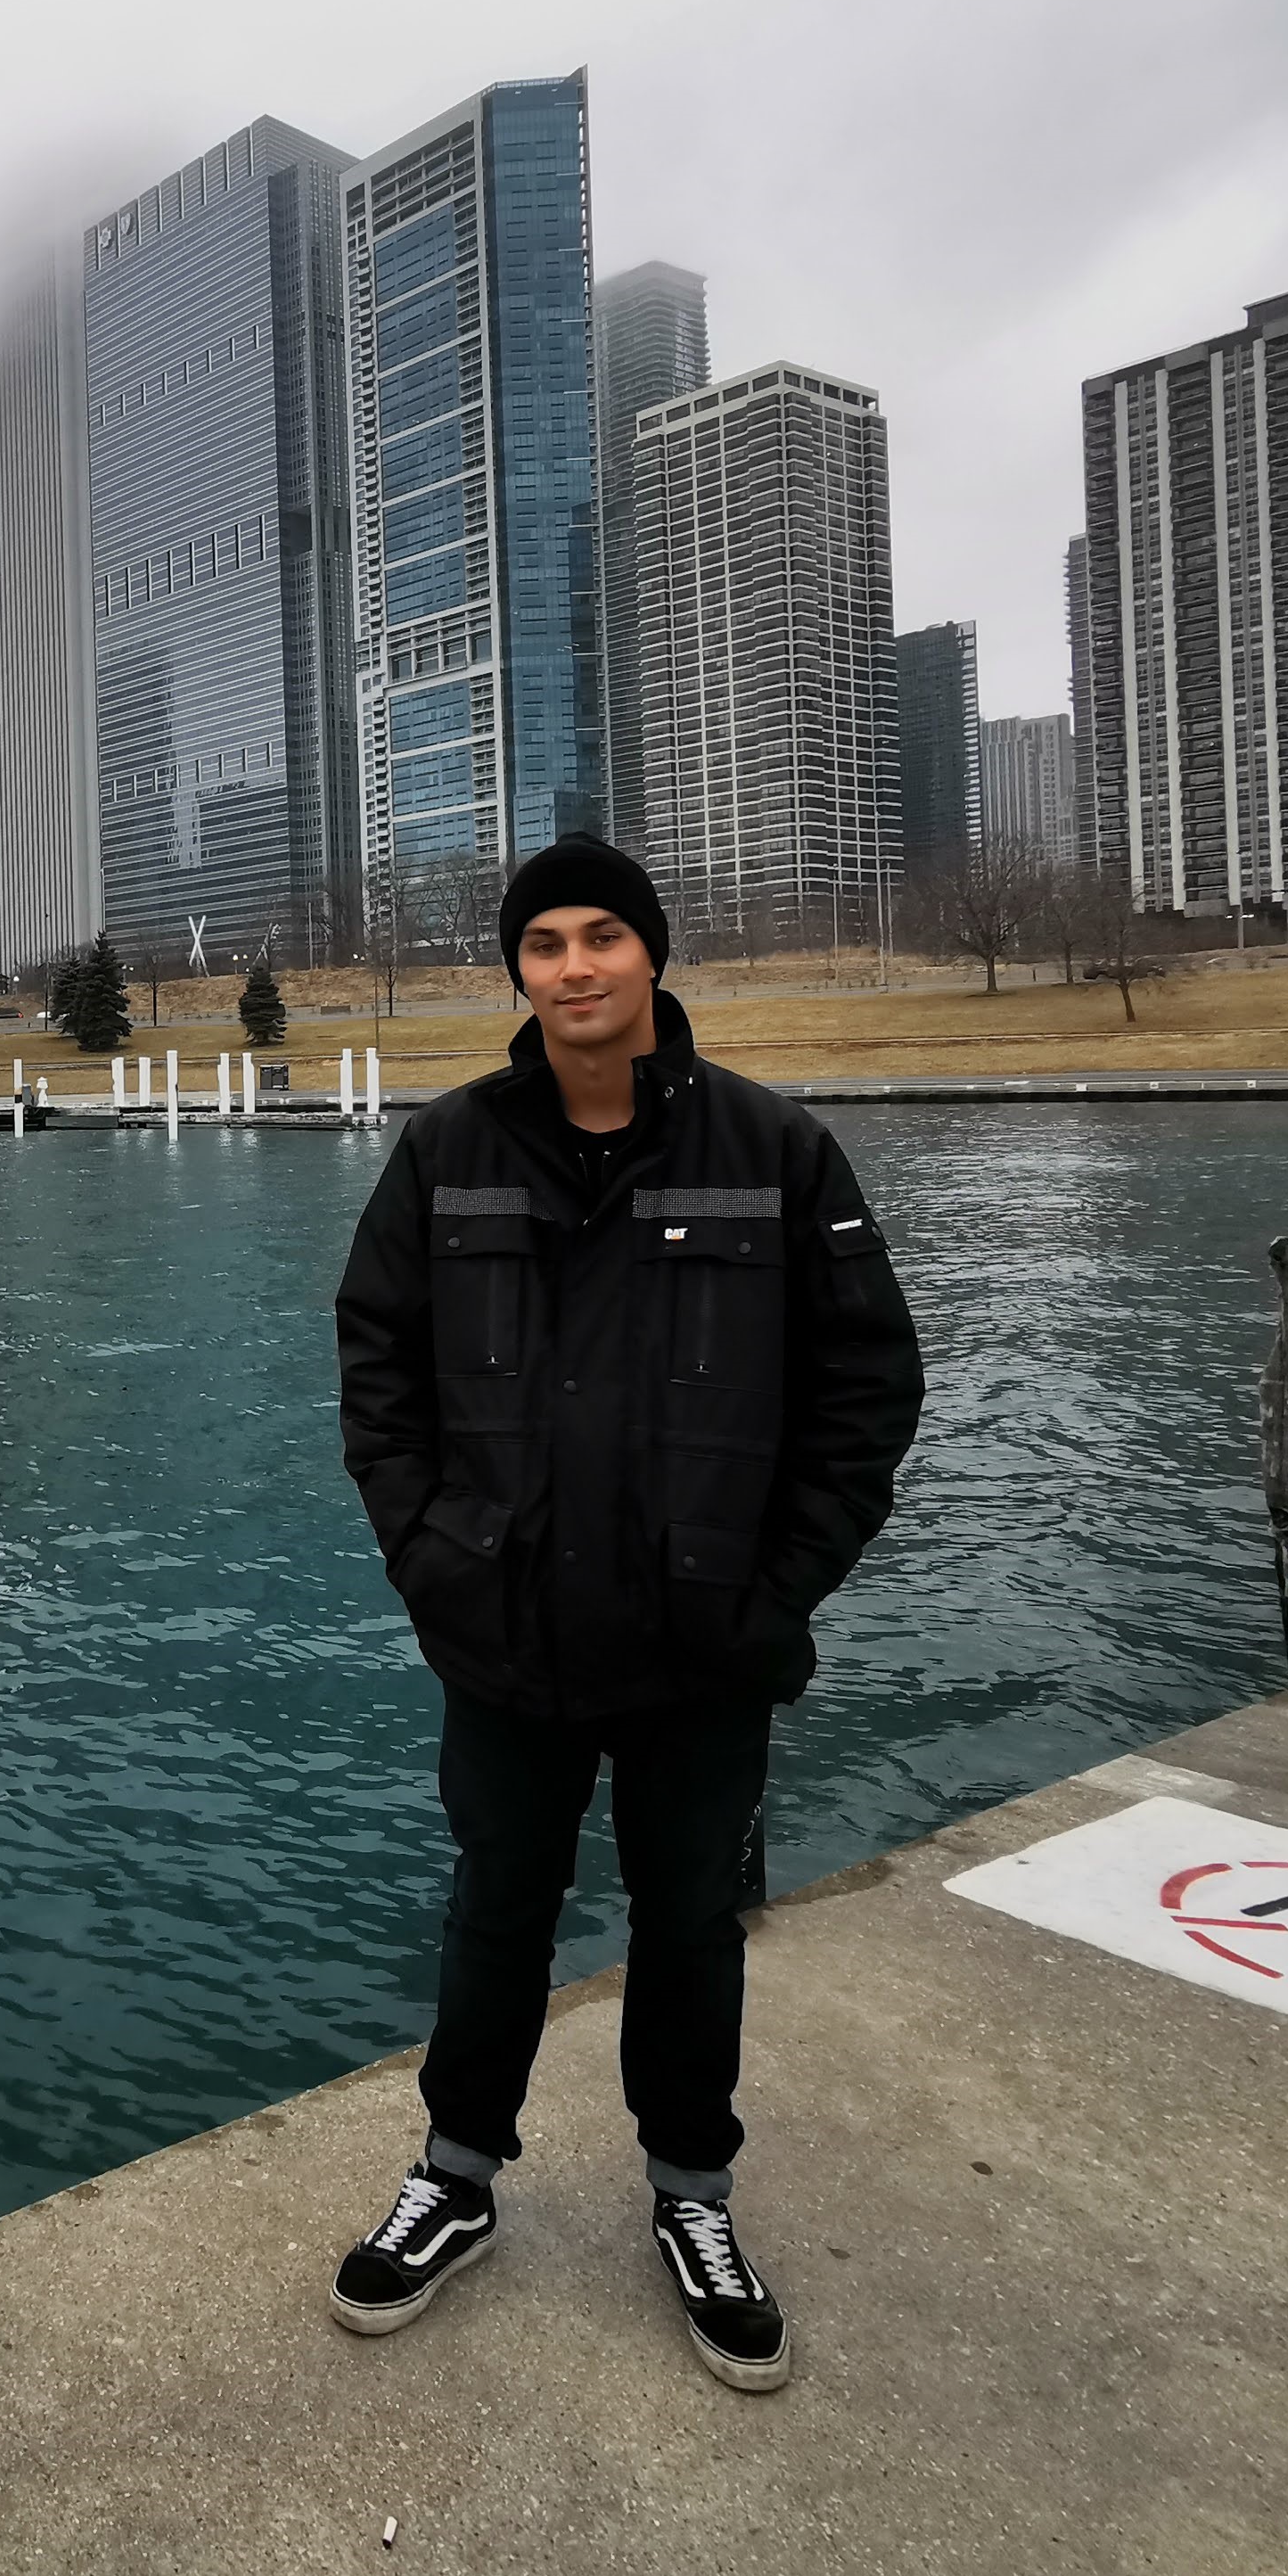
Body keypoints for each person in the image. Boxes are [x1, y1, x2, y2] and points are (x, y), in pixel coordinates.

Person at [328, 835, 923, 2391]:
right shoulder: (446, 1151)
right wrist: (435, 1560)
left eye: (604, 936)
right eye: (545, 943)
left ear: (653, 956)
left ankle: (693, 2197)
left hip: (702, 1645)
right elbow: (377, 1374)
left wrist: (777, 1584)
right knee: (495, 1914)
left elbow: (868, 1389)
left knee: (689, 1927)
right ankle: (456, 2175)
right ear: (516, 971)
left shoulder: (775, 1148)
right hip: (505, 1635)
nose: (576, 967)